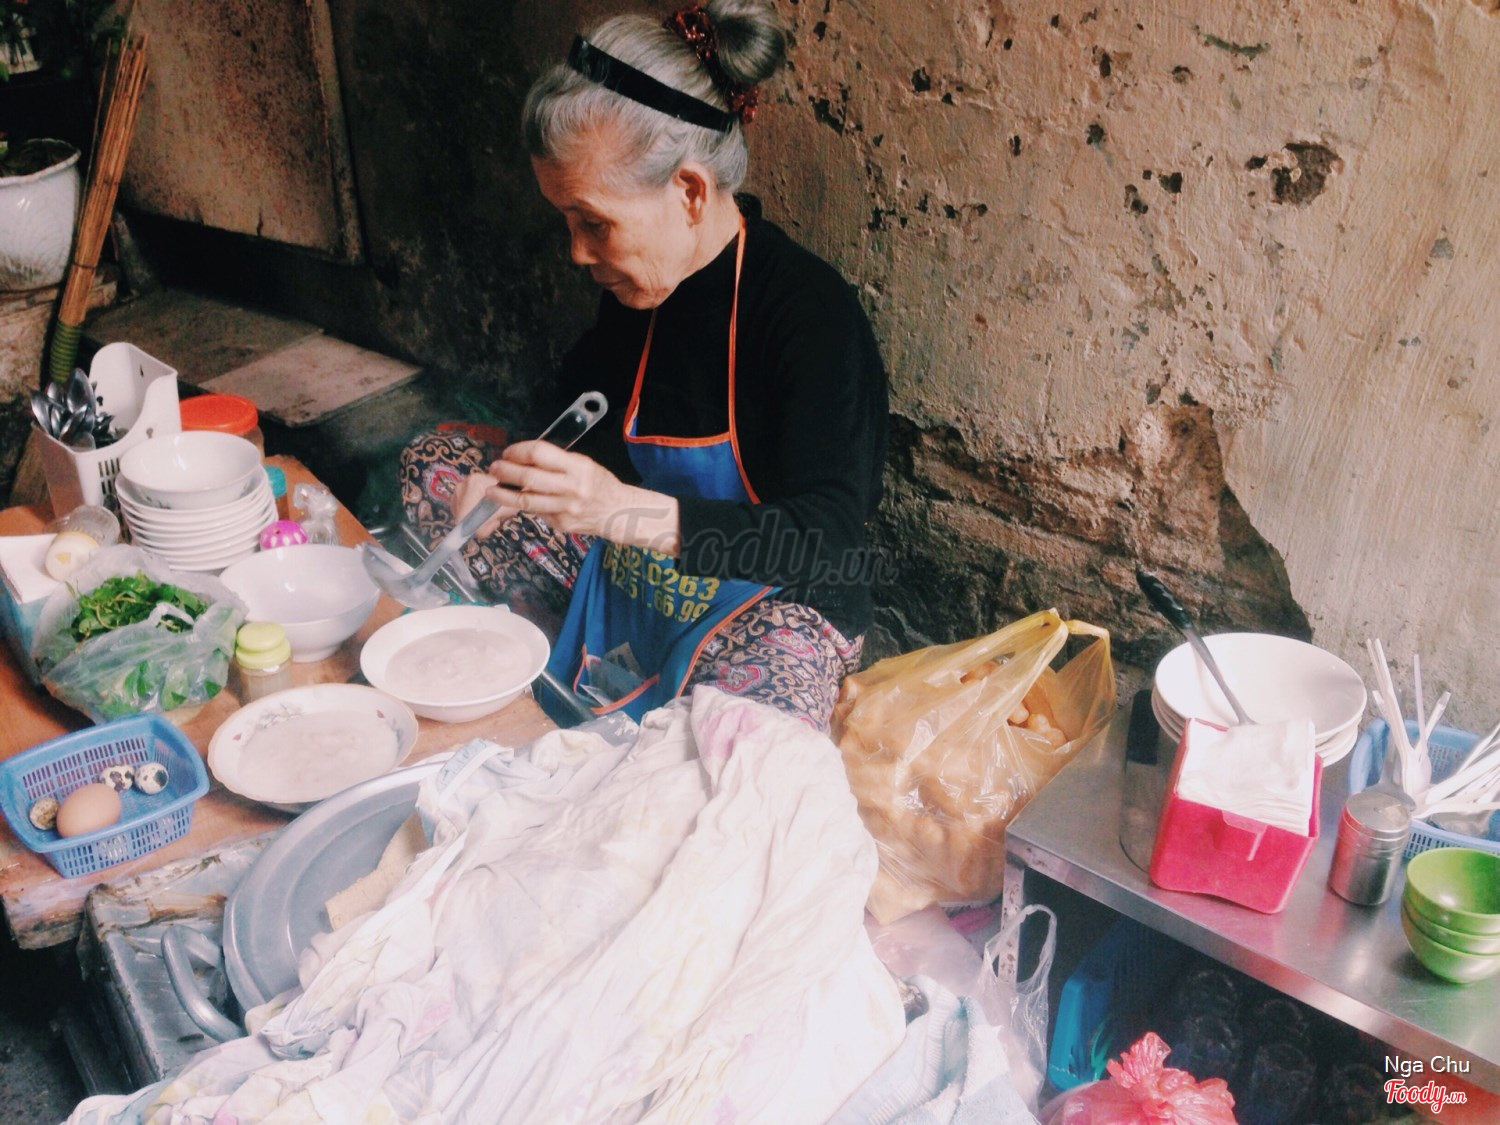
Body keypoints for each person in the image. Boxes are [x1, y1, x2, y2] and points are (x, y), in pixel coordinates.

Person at [401, 0, 888, 730]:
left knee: (747, 735)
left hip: (759, 609)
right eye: (567, 222)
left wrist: (621, 510)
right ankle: (564, 681)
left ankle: (621, 700)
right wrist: (516, 480)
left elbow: (831, 541)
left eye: (594, 222)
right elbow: (578, 412)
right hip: (636, 576)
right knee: (437, 466)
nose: (577, 252)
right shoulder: (636, 292)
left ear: (689, 192)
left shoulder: (807, 313)